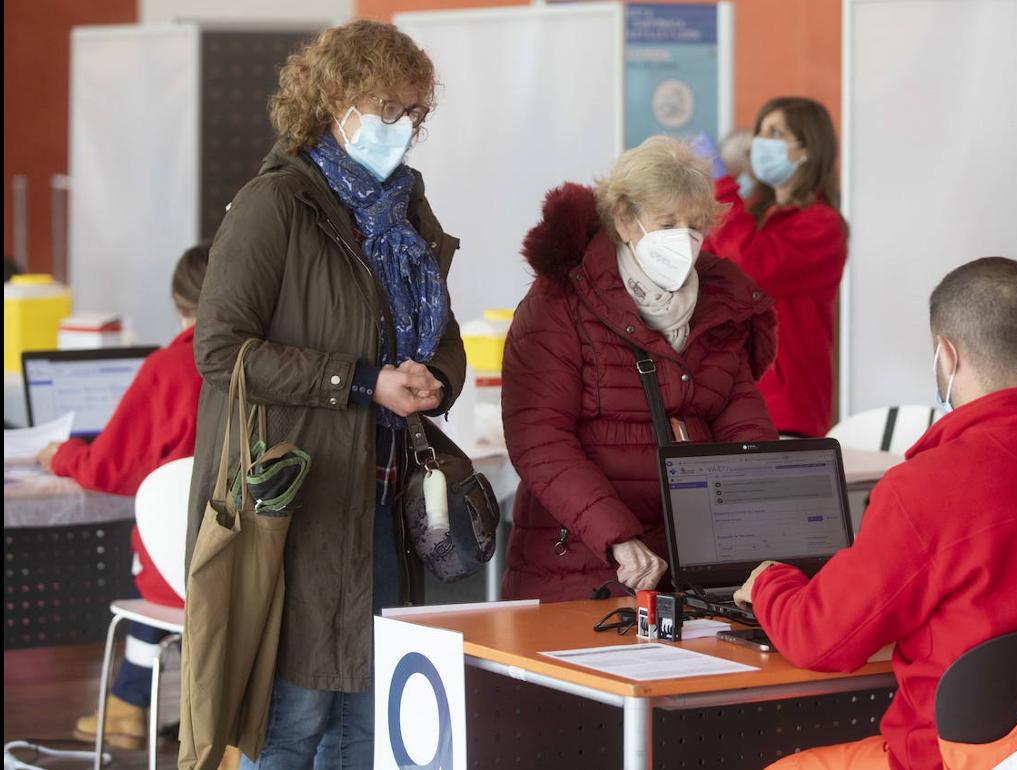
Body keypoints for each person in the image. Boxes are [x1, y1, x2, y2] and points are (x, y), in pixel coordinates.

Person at [732, 257, 1017, 770]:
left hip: (963, 759)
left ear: (946, 354)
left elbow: (819, 639)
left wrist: (768, 583)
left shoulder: (922, 489)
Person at [186, 20, 465, 768]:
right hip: (295, 503)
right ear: (333, 100)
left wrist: (438, 380)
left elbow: (439, 332)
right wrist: (362, 381)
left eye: (413, 113)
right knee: (294, 720)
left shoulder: (406, 208)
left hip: (383, 497)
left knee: (368, 723)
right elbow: (220, 351)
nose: (401, 129)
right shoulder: (274, 203)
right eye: (386, 109)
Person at [501, 136, 778, 602]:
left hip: (686, 560)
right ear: (626, 220)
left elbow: (742, 422)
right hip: (581, 561)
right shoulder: (561, 303)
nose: (684, 240)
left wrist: (762, 518)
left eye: (695, 226)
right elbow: (540, 438)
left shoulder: (721, 304)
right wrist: (616, 536)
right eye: (667, 223)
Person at [33, 243, 208, 749]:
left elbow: (107, 468)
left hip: (177, 571)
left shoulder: (167, 368)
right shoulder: (272, 361)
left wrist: (60, 454)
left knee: (152, 568)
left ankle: (129, 704)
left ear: (179, 305)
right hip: (259, 562)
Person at [697, 97, 848, 438]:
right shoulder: (752, 216)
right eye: (760, 131)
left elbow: (752, 267)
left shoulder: (822, 226)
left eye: (775, 132)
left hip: (785, 409)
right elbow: (706, 269)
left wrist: (724, 189)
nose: (760, 142)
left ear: (807, 148)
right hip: (730, 399)